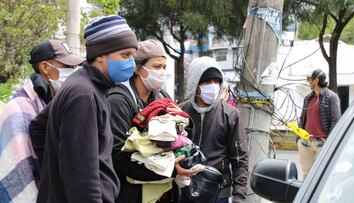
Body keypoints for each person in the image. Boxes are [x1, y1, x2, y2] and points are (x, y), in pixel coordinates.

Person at [30, 15, 138, 203]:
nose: (131, 62)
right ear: (100, 55)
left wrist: (55, 171)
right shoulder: (83, 95)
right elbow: (82, 175)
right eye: (125, 55)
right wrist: (61, 177)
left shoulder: (86, 86)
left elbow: (38, 127)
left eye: (132, 55)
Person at [107, 39, 197, 203]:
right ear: (138, 68)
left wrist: (186, 122)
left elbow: (183, 139)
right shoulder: (119, 101)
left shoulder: (162, 96)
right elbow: (117, 155)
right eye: (156, 67)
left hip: (165, 194)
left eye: (164, 67)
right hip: (131, 194)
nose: (161, 72)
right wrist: (170, 170)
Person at [0, 40, 83, 203]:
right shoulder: (18, 110)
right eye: (67, 67)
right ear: (45, 68)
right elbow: (17, 174)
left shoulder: (55, 103)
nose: (73, 72)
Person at [180, 56, 248, 203]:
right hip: (185, 190)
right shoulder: (180, 112)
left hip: (219, 193)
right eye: (206, 82)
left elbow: (240, 160)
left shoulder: (230, 115)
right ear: (194, 84)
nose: (212, 86)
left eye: (216, 81)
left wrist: (238, 197)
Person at [298, 69, 341, 178]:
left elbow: (336, 120)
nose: (309, 82)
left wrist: (328, 141)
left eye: (310, 79)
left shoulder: (331, 97)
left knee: (322, 176)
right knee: (306, 176)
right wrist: (299, 138)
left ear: (316, 80)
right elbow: (302, 118)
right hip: (305, 142)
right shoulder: (308, 98)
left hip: (322, 144)